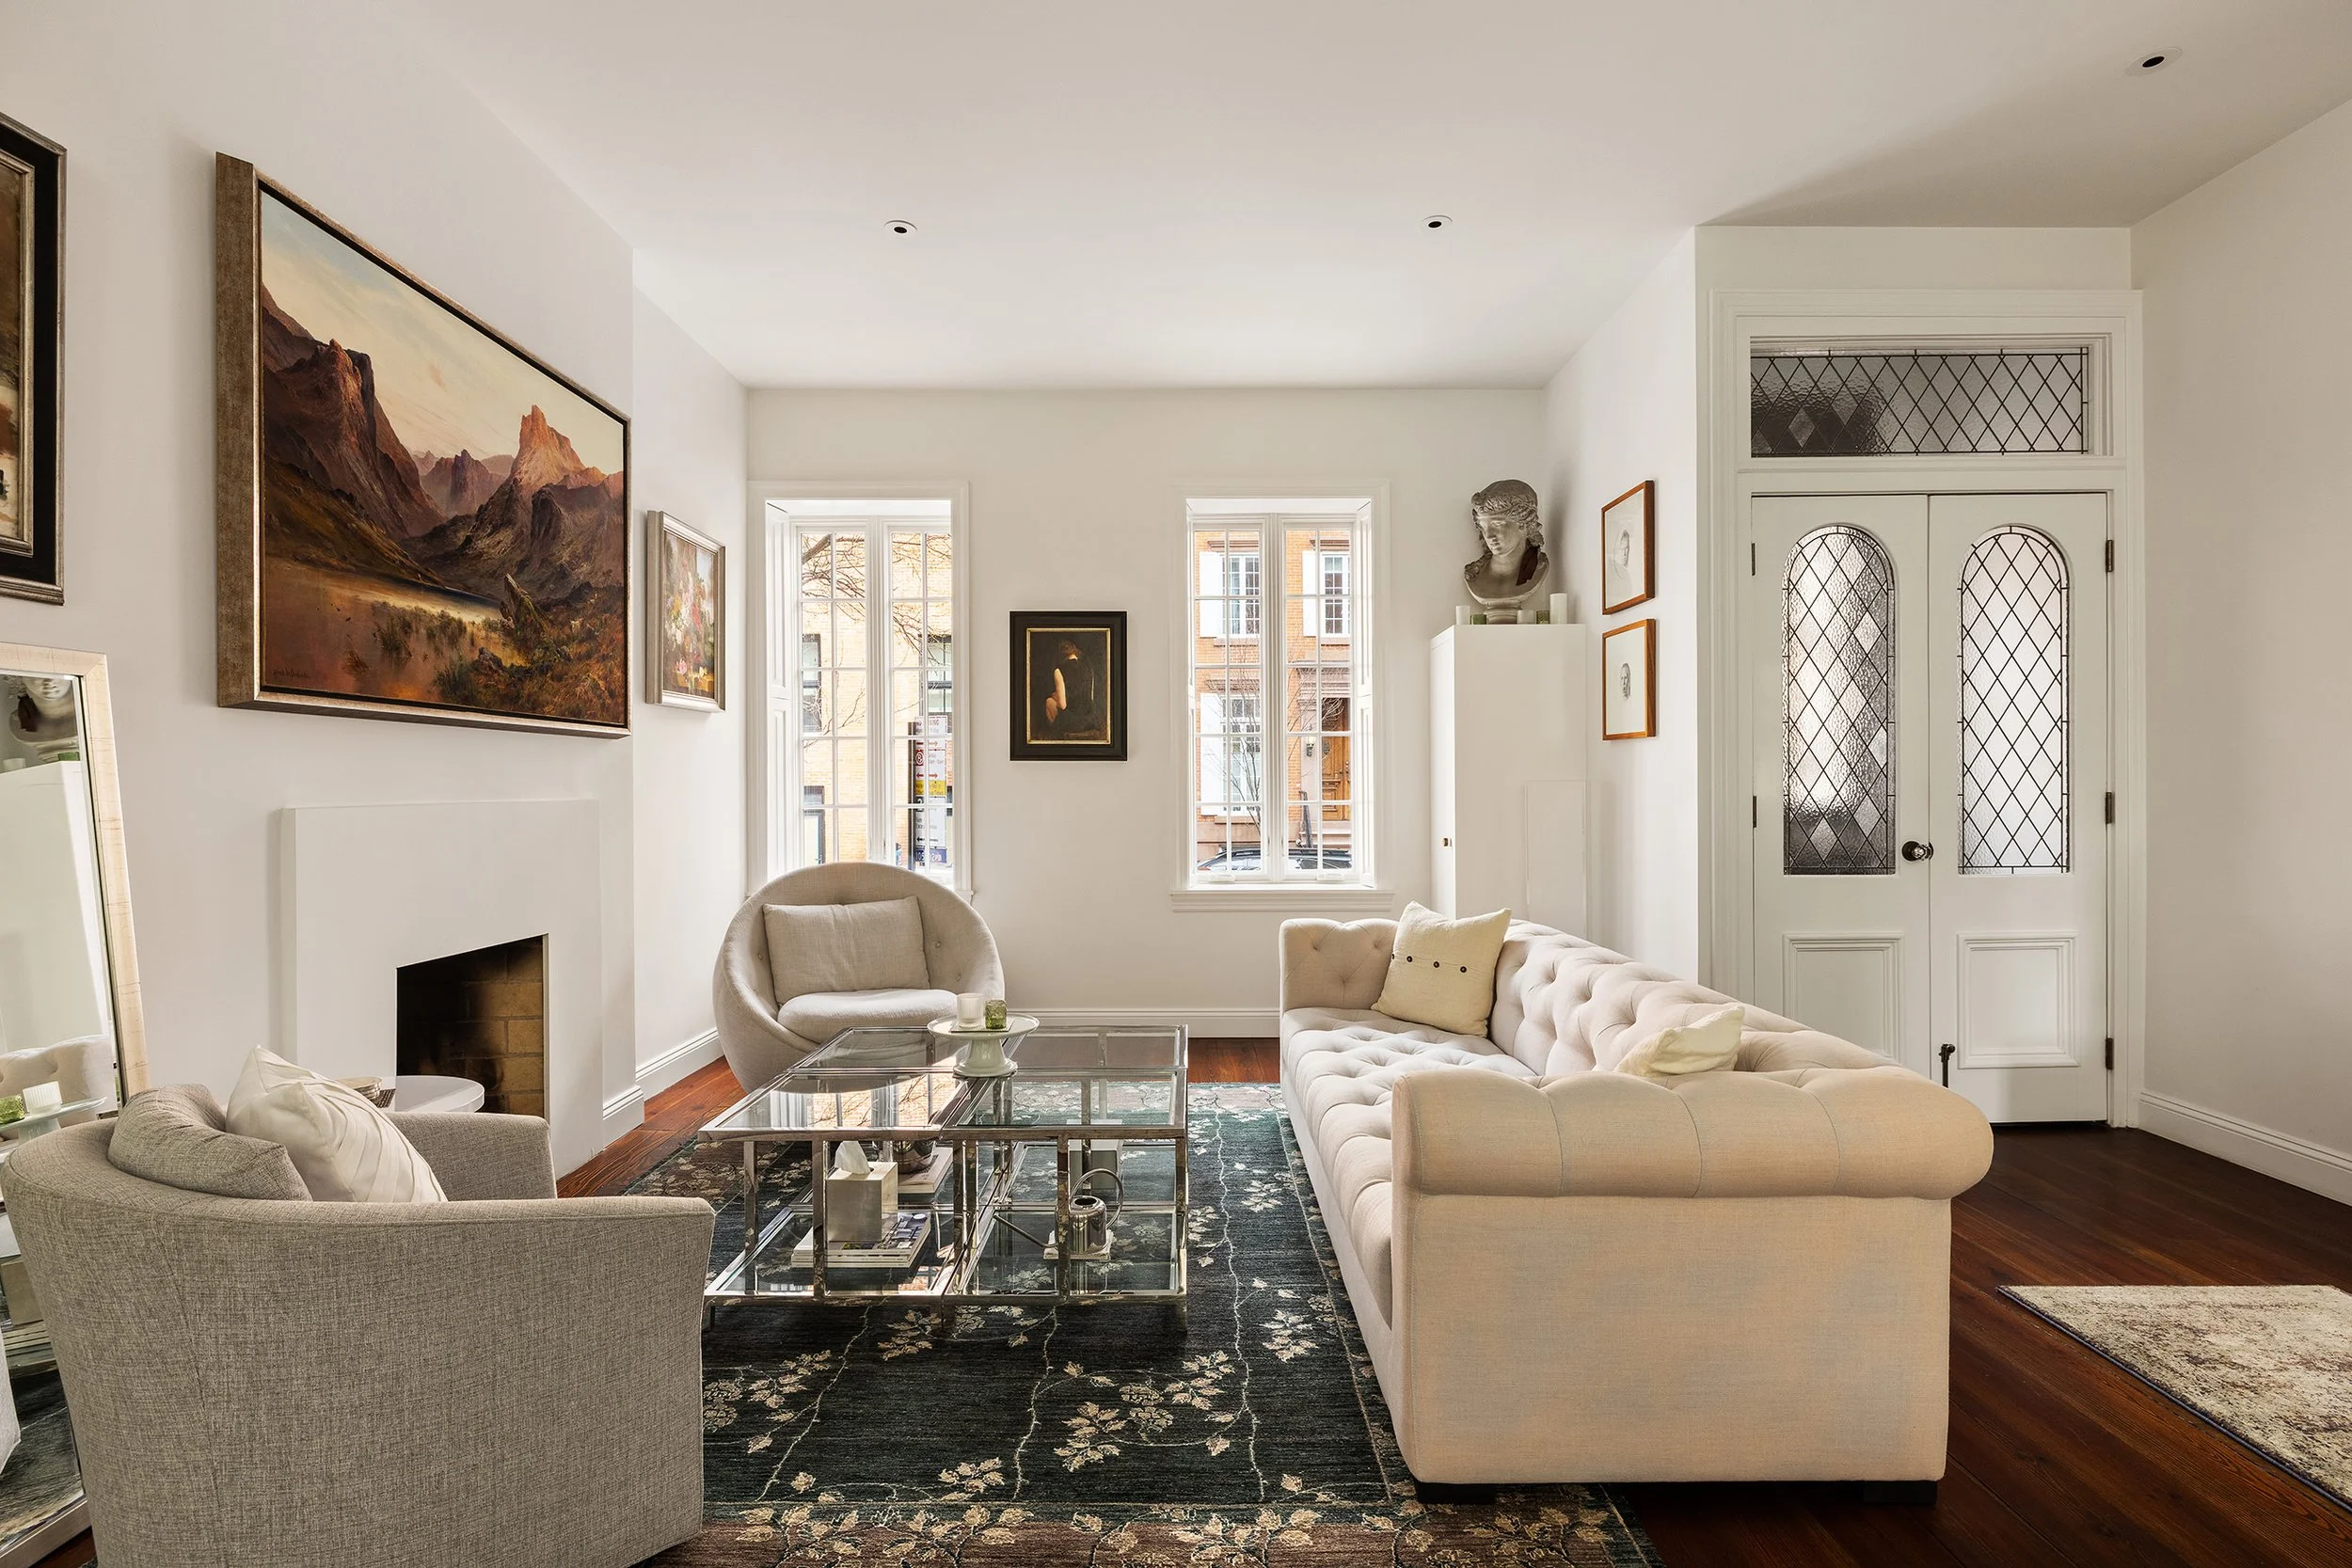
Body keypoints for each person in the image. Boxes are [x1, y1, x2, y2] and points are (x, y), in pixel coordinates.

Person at [1461, 479, 1550, 622]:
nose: (1489, 535)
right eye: (1483, 527)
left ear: (1525, 524)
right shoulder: (1474, 576)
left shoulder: (1537, 569)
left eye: (1498, 524)